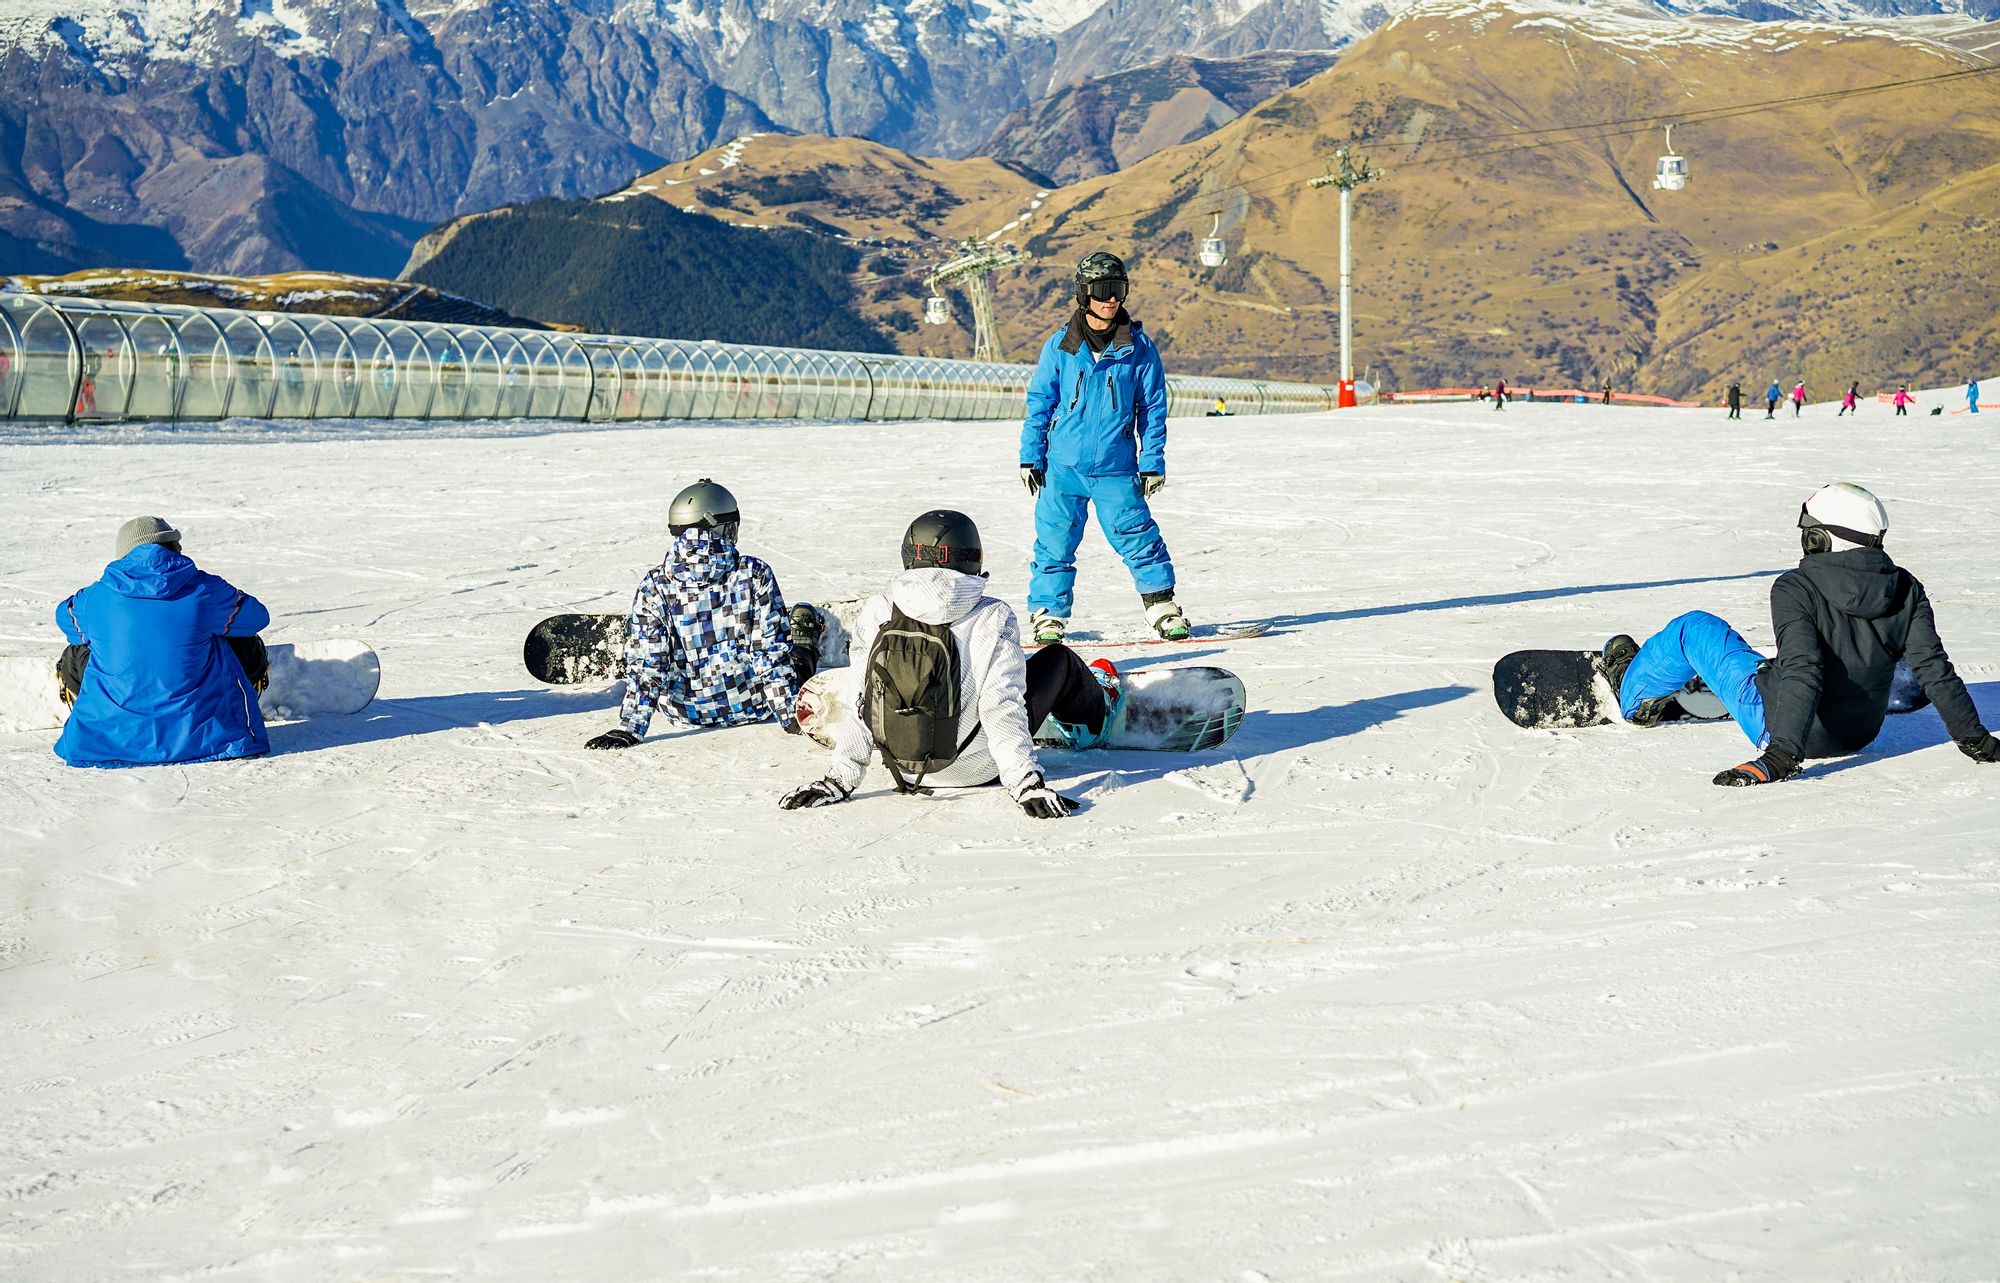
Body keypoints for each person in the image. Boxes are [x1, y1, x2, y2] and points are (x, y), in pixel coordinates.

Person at [1597, 482, 1997, 787]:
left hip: (1786, 732)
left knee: (1694, 627)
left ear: (1818, 539)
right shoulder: (1907, 587)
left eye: (1808, 529)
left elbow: (1805, 669)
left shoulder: (1795, 587)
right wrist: (1976, 739)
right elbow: (1935, 668)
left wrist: (1780, 757)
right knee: (1897, 655)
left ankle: (1632, 692)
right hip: (1861, 734)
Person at [777, 510, 1102, 818]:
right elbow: (1000, 705)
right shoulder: (993, 614)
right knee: (1058, 659)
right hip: (979, 769)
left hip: (904, 768)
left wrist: (839, 780)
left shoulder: (879, 609)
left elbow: (861, 701)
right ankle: (1099, 713)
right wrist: (1026, 784)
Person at [1019, 251, 1186, 643]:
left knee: (1137, 535)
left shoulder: (1140, 349)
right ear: (1083, 293)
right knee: (1055, 540)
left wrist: (1152, 461)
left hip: (1116, 466)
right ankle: (1048, 614)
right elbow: (1040, 401)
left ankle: (1161, 606)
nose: (1111, 299)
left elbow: (1153, 409)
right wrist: (1031, 455)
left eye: (1118, 290)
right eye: (1102, 290)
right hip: (1063, 465)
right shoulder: (1060, 346)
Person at [581, 479, 818, 751]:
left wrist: (630, 728)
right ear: (723, 528)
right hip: (755, 705)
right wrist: (790, 717)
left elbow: (649, 664)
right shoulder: (755, 573)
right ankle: (806, 638)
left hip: (686, 714)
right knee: (796, 655)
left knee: (653, 648)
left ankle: (636, 637)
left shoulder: (654, 585)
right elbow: (769, 654)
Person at [54, 516, 271, 767]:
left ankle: (94, 714)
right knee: (243, 641)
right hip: (206, 737)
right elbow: (258, 617)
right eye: (177, 542)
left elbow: (63, 617)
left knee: (78, 650)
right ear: (172, 546)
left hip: (108, 741)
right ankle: (232, 711)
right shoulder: (206, 589)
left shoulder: (94, 597)